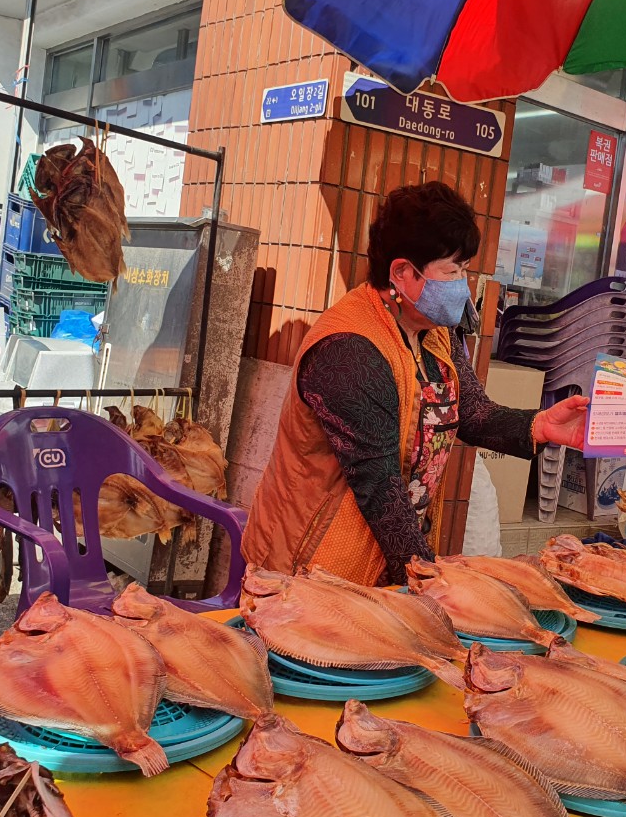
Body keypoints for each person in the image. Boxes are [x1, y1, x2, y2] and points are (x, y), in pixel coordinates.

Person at [243, 181, 587, 587]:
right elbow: (380, 488)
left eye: (464, 269)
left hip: (384, 566)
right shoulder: (349, 351)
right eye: (452, 270)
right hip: (311, 572)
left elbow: (471, 411)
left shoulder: (434, 330)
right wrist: (430, 581)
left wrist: (539, 426)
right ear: (402, 273)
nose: (463, 283)